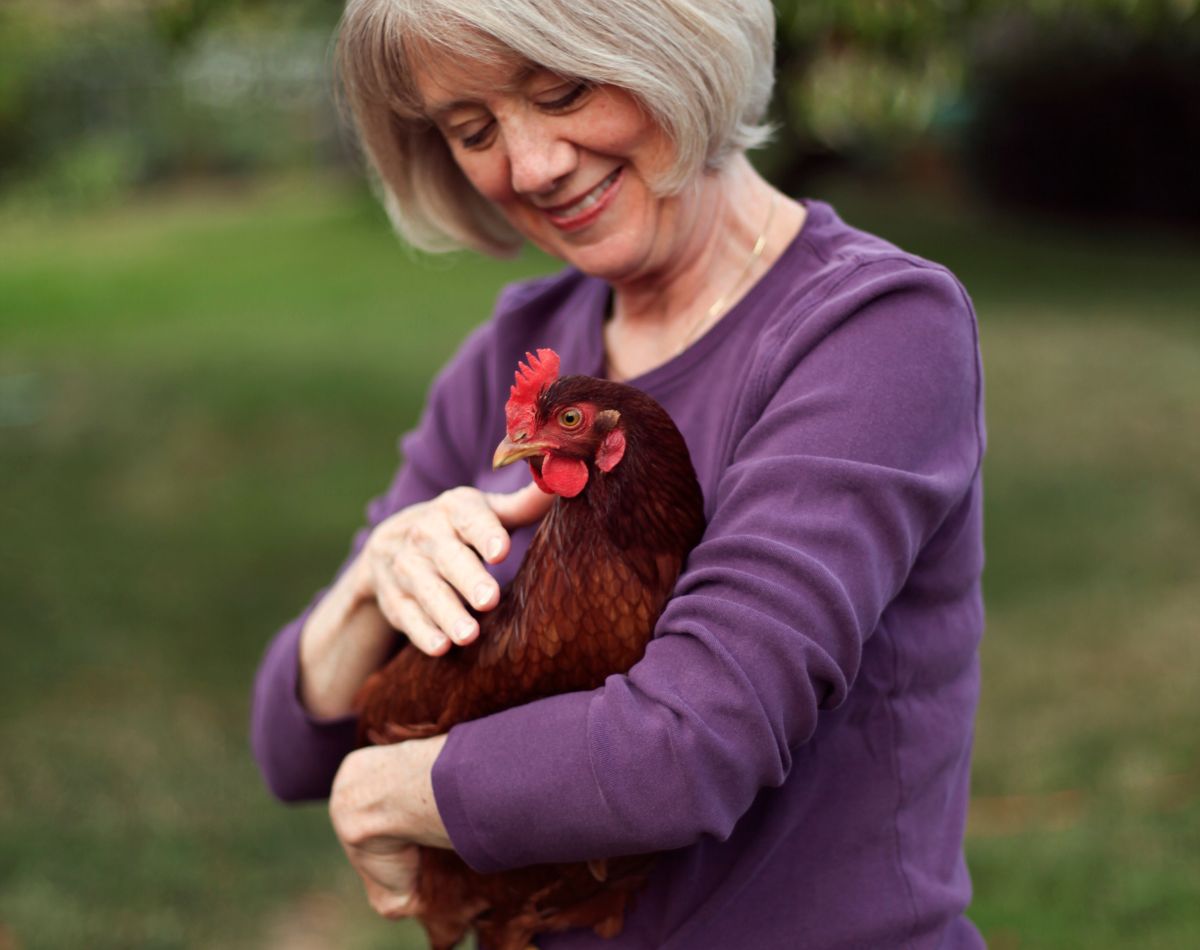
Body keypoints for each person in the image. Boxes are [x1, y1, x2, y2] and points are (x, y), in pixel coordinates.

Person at [251, 0, 987, 946]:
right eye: (474, 130)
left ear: (673, 47)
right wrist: (366, 586)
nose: (533, 165)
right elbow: (287, 745)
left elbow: (689, 746)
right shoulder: (518, 351)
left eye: (564, 90)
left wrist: (391, 785)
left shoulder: (875, 331)